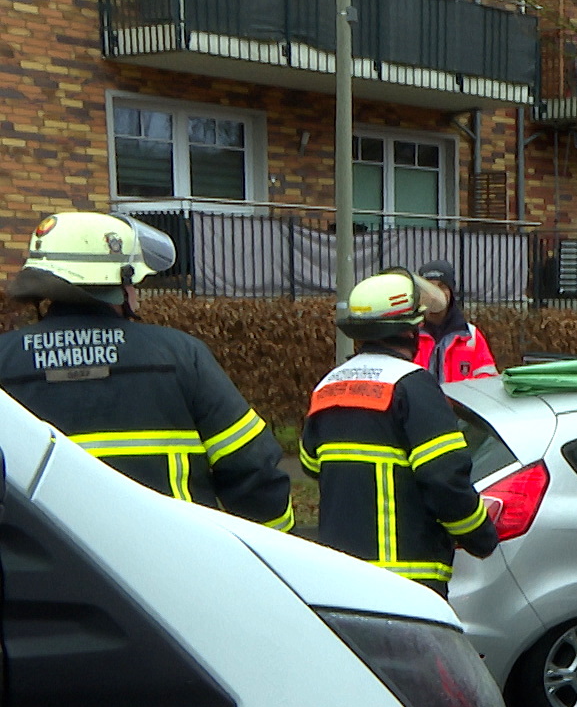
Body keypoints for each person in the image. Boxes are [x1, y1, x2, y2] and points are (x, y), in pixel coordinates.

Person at [0, 211, 293, 531]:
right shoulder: (180, 356)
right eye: (134, 283)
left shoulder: (4, 360)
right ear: (120, 285)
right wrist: (277, 553)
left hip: (43, 572)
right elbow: (252, 469)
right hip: (170, 562)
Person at [303, 269, 499, 594]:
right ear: (411, 331)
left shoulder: (329, 385)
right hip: (406, 584)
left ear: (357, 334)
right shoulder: (414, 387)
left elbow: (312, 465)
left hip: (339, 579)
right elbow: (445, 478)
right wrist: (481, 535)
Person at [414, 259, 497, 383]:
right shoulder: (410, 335)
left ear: (451, 292)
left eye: (442, 287)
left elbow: (487, 381)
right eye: (429, 288)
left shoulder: (470, 336)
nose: (435, 295)